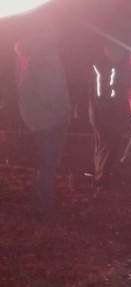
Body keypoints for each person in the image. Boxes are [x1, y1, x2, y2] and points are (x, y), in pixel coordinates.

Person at [14, 27, 71, 219]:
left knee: (43, 163)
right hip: (50, 120)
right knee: (48, 164)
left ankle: (39, 202)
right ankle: (44, 207)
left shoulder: (30, 61)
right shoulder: (47, 60)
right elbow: (52, 92)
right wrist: (63, 113)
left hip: (38, 120)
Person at [88, 41, 131, 193]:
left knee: (108, 148)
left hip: (111, 115)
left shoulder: (116, 66)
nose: (119, 54)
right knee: (105, 148)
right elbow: (101, 94)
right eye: (117, 50)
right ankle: (101, 182)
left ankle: (104, 179)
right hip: (105, 116)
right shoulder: (102, 66)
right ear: (108, 50)